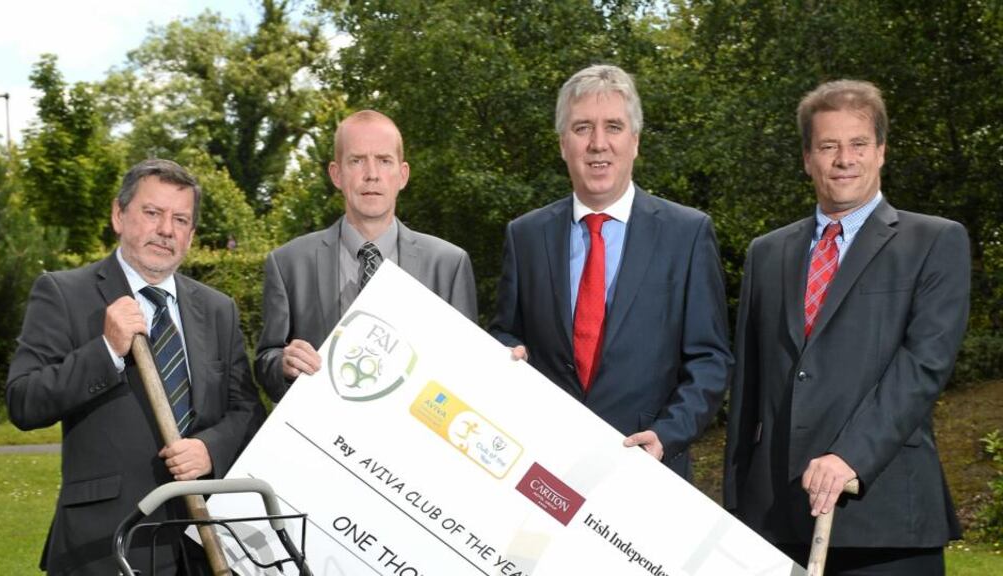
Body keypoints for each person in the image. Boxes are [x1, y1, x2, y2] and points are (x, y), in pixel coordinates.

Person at [723, 79, 968, 575]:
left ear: (881, 152)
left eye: (858, 144)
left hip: (882, 517)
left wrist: (850, 456)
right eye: (828, 146)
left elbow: (922, 367)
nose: (844, 159)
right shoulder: (767, 253)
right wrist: (735, 506)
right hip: (774, 519)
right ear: (807, 159)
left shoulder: (934, 241)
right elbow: (748, 387)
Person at [6, 159, 265, 575]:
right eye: (152, 213)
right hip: (104, 546)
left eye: (180, 219)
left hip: (201, 546)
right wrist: (106, 349)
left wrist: (210, 449)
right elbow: (24, 401)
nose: (166, 229)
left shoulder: (218, 310)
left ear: (191, 235)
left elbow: (247, 411)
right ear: (118, 215)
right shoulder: (64, 293)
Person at [488, 64, 732, 479]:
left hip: (647, 468)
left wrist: (666, 434)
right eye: (582, 128)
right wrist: (507, 354)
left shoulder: (686, 234)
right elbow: (505, 332)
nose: (598, 144)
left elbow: (710, 359)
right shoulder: (526, 236)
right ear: (563, 144)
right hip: (544, 467)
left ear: (634, 142)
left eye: (613, 127)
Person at [256, 110, 478, 402]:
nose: (371, 174)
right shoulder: (289, 263)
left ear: (403, 175)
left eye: (384, 161)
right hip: (320, 438)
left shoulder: (448, 264)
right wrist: (283, 365)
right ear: (337, 174)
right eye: (357, 160)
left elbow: (467, 371)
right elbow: (265, 361)